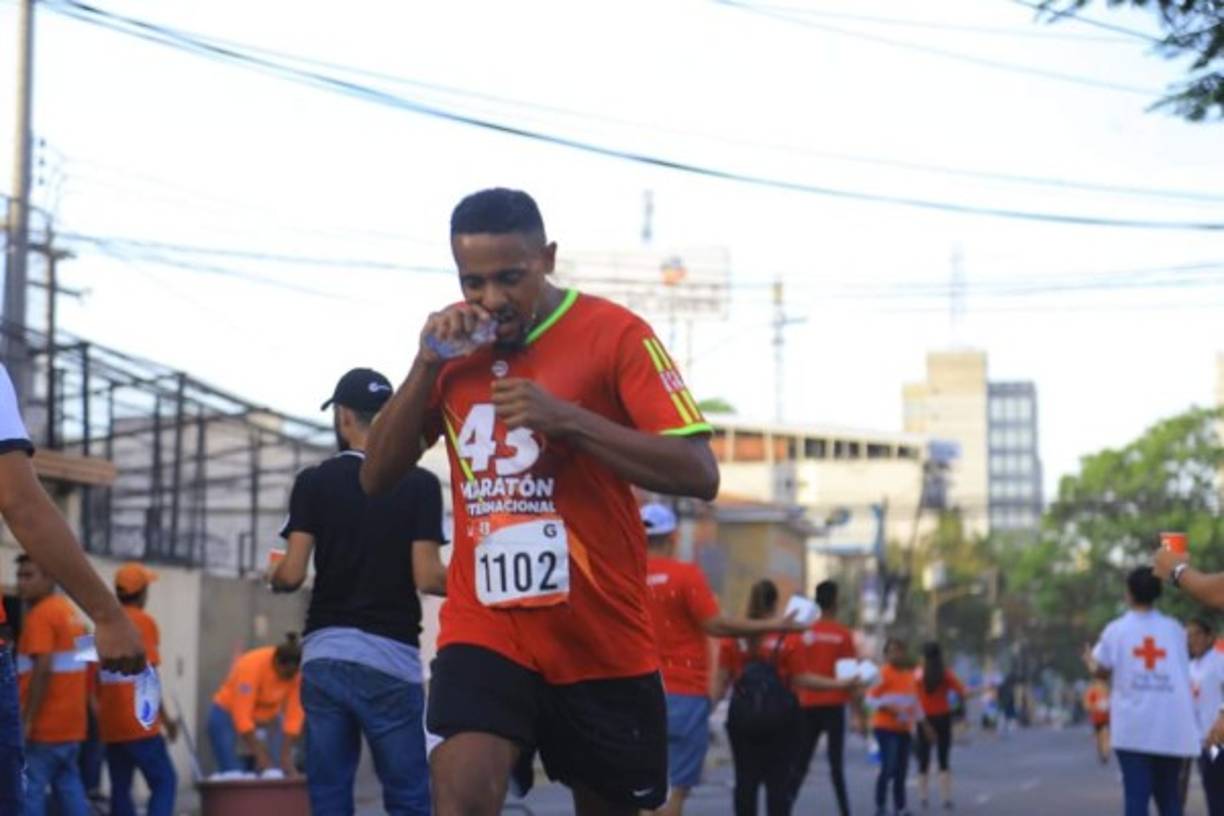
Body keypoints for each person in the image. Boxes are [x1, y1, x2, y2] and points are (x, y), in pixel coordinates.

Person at [361, 188, 720, 816]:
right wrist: (423, 365)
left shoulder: (615, 335)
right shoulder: (452, 347)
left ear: (547, 258)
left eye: (510, 278)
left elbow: (698, 471)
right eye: (473, 282)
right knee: (463, 795)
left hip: (600, 638)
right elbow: (375, 478)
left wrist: (571, 421)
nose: (492, 301)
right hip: (487, 629)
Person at [271, 366, 448, 816]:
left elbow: (291, 575)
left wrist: (273, 576)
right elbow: (427, 577)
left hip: (326, 655)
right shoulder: (421, 485)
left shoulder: (314, 481)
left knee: (329, 796)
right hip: (391, 658)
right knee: (409, 796)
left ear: (344, 417)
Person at [0, 362, 145, 811]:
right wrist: (106, 615)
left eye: (28, 574)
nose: (23, 580)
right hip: (68, 730)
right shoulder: (63, 614)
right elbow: (20, 501)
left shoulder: (49, 616)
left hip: (60, 728)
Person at [640, 503, 802, 816]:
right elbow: (717, 625)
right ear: (673, 537)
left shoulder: (626, 577)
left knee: (644, 790)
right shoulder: (686, 576)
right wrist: (776, 624)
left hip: (638, 695)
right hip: (685, 694)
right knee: (675, 791)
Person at [712, 579, 855, 816]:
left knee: (745, 781)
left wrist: (705, 709)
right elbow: (803, 679)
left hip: (742, 718)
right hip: (782, 719)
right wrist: (840, 684)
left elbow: (720, 681)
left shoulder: (735, 637)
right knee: (777, 783)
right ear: (775, 603)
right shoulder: (787, 637)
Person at [1086, 566, 1199, 816]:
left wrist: (1091, 664)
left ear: (1128, 594)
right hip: (1170, 727)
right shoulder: (1174, 630)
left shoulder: (1117, 630)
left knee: (1136, 797)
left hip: (1134, 729)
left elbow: (1101, 671)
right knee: (1169, 798)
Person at [97, 563, 178, 816]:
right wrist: (165, 720)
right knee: (165, 781)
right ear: (142, 592)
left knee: (120, 790)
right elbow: (148, 675)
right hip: (140, 725)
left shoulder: (103, 622)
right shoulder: (144, 622)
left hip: (110, 725)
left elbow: (91, 673)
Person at [17, 554, 90, 815]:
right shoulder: (73, 614)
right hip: (72, 726)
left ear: (49, 578)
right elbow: (89, 664)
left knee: (31, 790)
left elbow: (43, 668)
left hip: (44, 728)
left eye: (29, 576)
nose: (21, 583)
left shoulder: (40, 616)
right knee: (69, 787)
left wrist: (27, 721)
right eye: (19, 576)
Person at [789, 579, 858, 815]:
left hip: (807, 704)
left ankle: (784, 807)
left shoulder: (804, 633)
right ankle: (845, 810)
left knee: (800, 762)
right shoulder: (843, 635)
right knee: (836, 765)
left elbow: (794, 670)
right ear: (835, 601)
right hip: (835, 705)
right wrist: (859, 713)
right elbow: (850, 680)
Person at [208, 634, 304, 775]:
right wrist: (260, 754)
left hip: (267, 717)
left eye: (291, 675)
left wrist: (286, 756)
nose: (286, 680)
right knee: (232, 770)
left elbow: (294, 717)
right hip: (228, 712)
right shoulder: (251, 665)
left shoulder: (297, 675)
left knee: (276, 770)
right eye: (284, 674)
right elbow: (242, 716)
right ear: (276, 662)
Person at [868, 637, 922, 816]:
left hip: (904, 728)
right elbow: (870, 699)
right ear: (886, 655)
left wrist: (924, 725)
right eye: (891, 651)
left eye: (899, 651)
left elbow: (915, 703)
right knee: (888, 766)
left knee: (902, 769)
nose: (895, 655)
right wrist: (887, 707)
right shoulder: (881, 674)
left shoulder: (909, 676)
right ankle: (881, 805)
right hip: (885, 727)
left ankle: (900, 807)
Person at [914, 642, 967, 811]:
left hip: (924, 718)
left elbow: (913, 698)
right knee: (944, 759)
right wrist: (983, 689)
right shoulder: (946, 674)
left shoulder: (918, 674)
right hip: (943, 717)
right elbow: (963, 692)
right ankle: (946, 798)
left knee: (924, 758)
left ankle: (923, 797)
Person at [1186, 617, 1224, 814]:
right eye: (1189, 636)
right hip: (1202, 742)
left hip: (1220, 740)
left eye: (1197, 634)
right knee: (1213, 793)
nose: (1192, 639)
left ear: (1209, 637)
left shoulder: (1219, 660)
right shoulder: (1189, 667)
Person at [1083, 677, 1112, 765]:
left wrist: (1108, 706)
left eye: (1102, 682)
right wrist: (1097, 706)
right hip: (1096, 719)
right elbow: (1086, 705)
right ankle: (1100, 750)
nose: (1101, 684)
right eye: (1099, 682)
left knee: (1106, 735)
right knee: (1099, 738)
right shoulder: (1092, 692)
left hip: (1107, 718)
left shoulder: (1108, 691)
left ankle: (1105, 753)